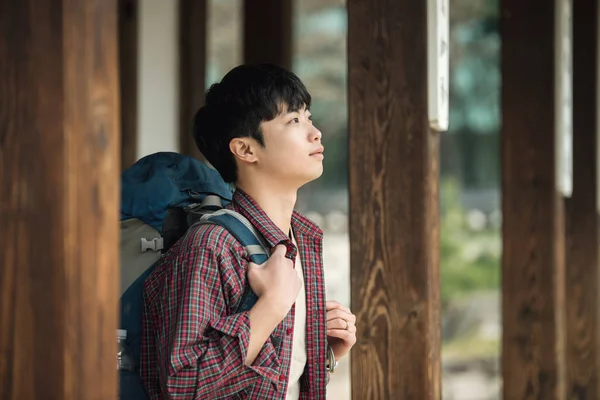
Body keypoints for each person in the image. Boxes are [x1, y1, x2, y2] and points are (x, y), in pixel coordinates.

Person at [140, 64, 356, 399]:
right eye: (294, 121)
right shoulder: (213, 245)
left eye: (309, 117)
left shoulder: (303, 239)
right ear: (246, 149)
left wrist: (326, 356)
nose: (315, 132)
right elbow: (182, 386)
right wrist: (271, 306)